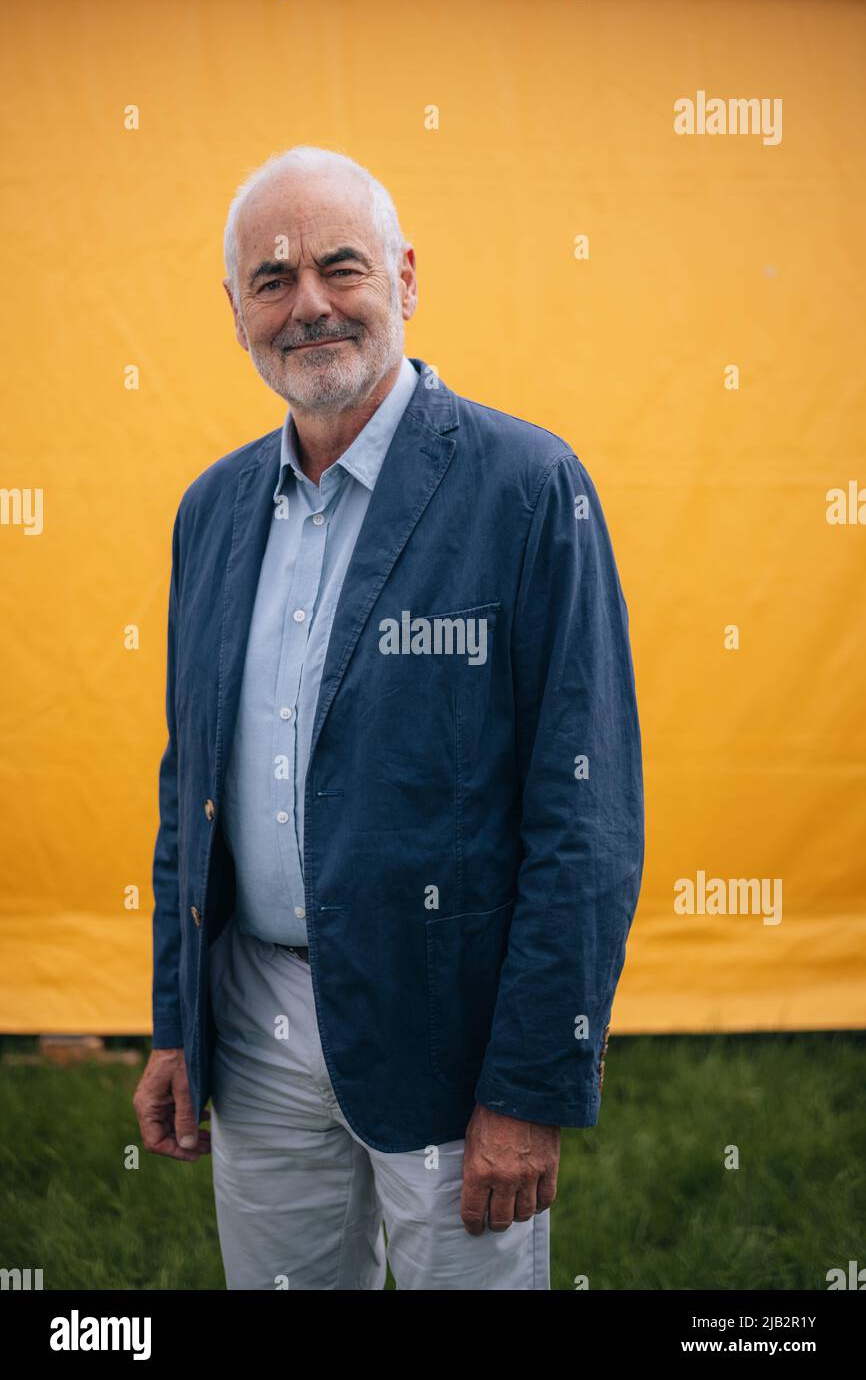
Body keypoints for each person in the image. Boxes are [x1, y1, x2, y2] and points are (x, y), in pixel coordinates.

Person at [132, 144, 645, 1291]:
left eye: (339, 267)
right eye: (271, 281)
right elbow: (192, 783)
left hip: (450, 1036)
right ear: (236, 314)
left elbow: (586, 815)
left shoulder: (526, 486)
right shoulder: (210, 511)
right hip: (252, 1020)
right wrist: (177, 1021)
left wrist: (527, 1085)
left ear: (405, 276)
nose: (306, 303)